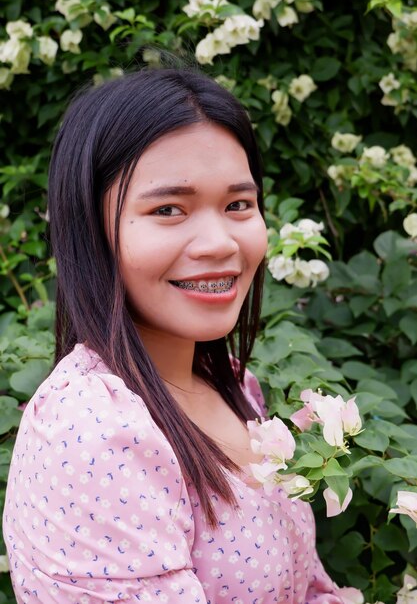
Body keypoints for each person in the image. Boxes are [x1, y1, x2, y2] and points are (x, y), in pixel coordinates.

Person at [3, 68, 352, 603]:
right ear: (91, 230)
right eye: (168, 209)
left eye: (238, 204)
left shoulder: (233, 386)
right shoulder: (96, 428)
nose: (219, 243)